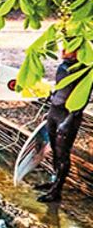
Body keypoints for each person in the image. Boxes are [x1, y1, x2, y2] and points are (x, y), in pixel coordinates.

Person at [39, 48, 85, 204]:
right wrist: (50, 97)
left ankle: (56, 191)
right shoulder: (63, 66)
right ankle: (54, 180)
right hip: (55, 110)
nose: (63, 51)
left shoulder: (82, 70)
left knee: (62, 153)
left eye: (69, 49)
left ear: (78, 51)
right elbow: (60, 87)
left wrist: (69, 120)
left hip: (67, 114)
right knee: (54, 149)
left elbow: (82, 99)